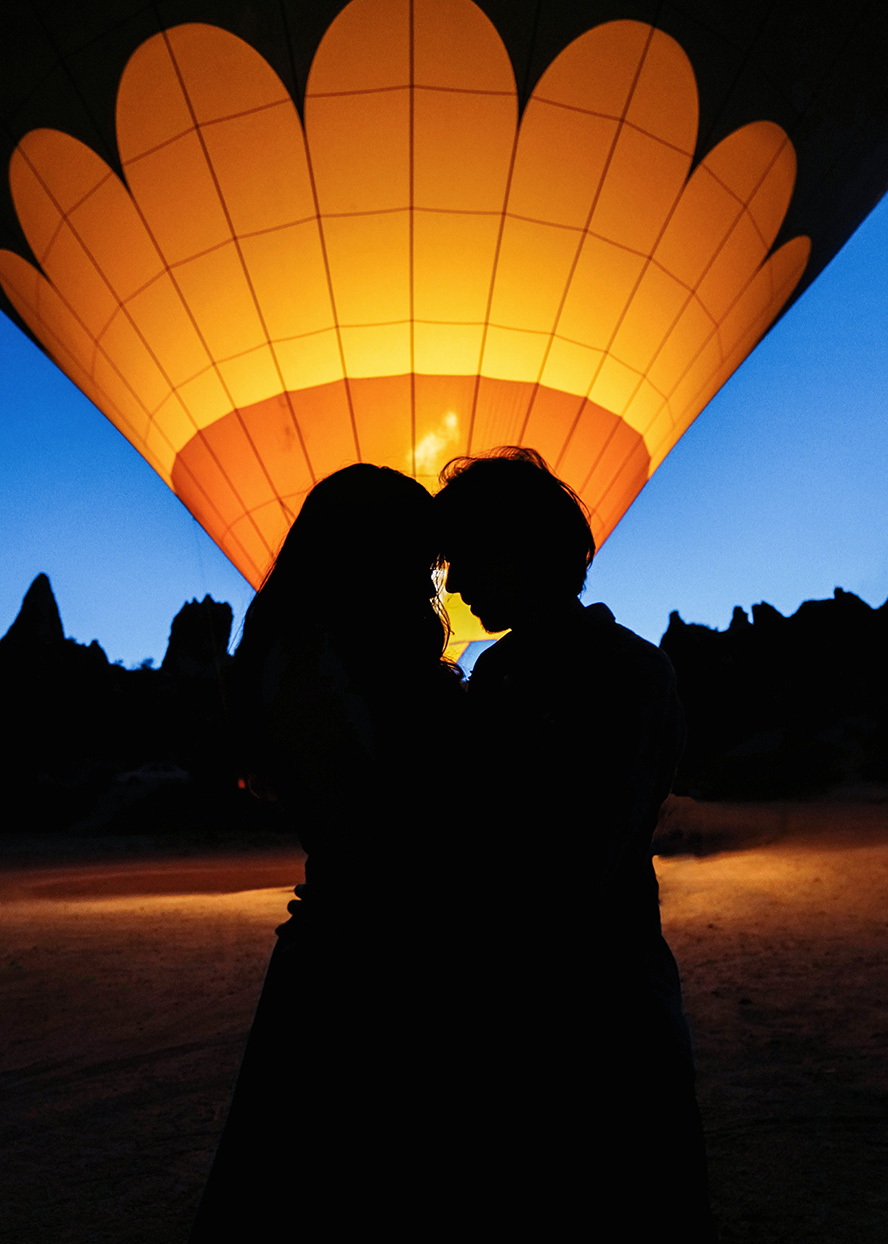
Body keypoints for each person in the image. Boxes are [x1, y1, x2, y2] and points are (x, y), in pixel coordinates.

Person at [435, 446, 716, 1238]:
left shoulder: (629, 676)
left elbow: (571, 860)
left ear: (519, 550)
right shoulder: (496, 678)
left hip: (597, 1016)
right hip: (542, 1011)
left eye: (465, 558)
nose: (452, 585)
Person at [189, 464, 463, 1239]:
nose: (431, 577)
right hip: (374, 958)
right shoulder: (315, 660)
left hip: (360, 948)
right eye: (418, 556)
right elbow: (373, 816)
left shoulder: (322, 655)